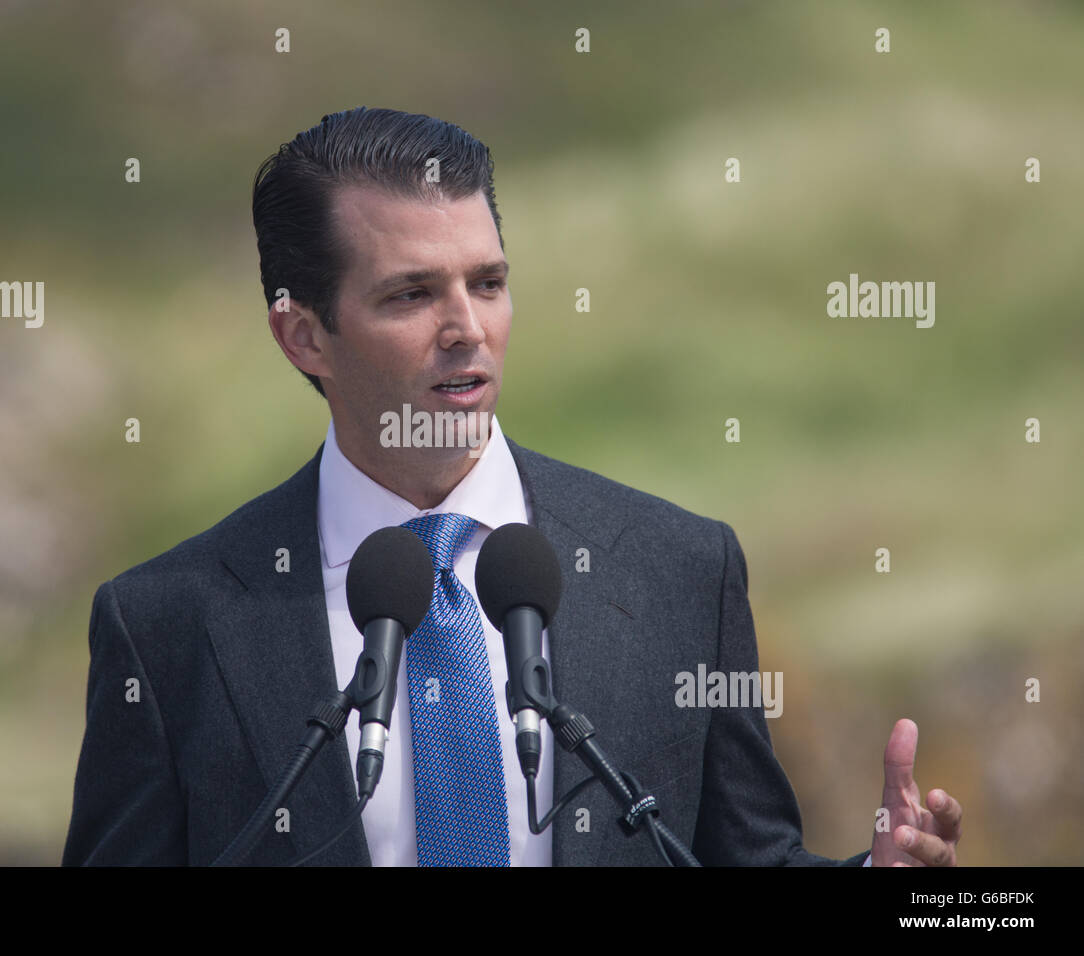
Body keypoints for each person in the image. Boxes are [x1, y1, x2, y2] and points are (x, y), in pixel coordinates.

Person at [62, 107, 962, 867]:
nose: (467, 329)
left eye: (487, 283)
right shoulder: (169, 626)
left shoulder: (681, 570)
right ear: (303, 337)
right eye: (411, 295)